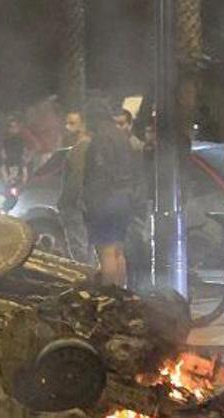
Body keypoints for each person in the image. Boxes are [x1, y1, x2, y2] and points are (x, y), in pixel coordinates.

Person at [83, 103, 140, 287]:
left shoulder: (100, 140)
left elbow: (100, 174)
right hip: (125, 198)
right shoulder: (123, 138)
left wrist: (91, 202)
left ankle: (108, 297)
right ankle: (121, 294)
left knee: (105, 252)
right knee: (118, 251)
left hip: (106, 200)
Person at [58, 110, 94, 264]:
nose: (67, 128)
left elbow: (76, 179)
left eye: (72, 124)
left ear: (83, 126)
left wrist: (66, 202)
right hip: (84, 204)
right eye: (66, 123)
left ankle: (87, 282)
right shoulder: (81, 147)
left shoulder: (81, 147)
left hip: (76, 206)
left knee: (80, 248)